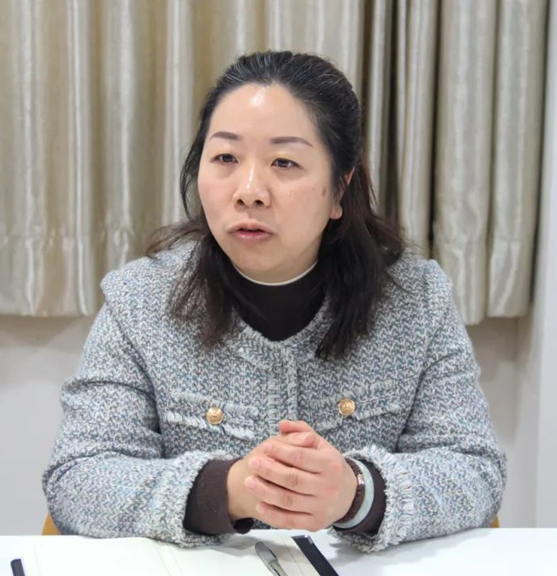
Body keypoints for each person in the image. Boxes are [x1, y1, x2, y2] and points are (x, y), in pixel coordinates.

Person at [42, 51, 506, 553]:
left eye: (284, 163)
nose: (249, 192)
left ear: (339, 190)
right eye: (226, 158)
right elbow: (78, 478)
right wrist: (230, 491)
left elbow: (474, 468)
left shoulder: (416, 299)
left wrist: (355, 493)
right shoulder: (141, 300)